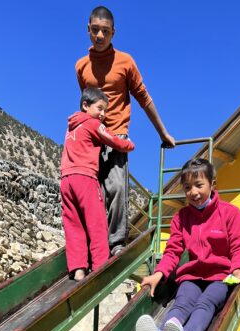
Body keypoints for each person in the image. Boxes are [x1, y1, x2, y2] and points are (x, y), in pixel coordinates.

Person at [75, 5, 175, 255]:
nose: (99, 36)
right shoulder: (81, 66)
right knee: (92, 190)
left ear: (113, 33)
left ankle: (117, 242)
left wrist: (162, 133)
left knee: (117, 187)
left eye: (105, 32)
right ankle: (94, 242)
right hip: (91, 137)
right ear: (88, 29)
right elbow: (84, 104)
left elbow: (143, 98)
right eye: (95, 30)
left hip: (117, 134)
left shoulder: (125, 62)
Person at [135, 158, 240, 331]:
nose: (193, 192)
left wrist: (238, 268)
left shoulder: (230, 213)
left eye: (199, 185)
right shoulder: (181, 217)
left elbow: (239, 246)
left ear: (212, 184)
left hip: (220, 276)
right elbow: (173, 250)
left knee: (206, 303)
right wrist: (159, 274)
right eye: (187, 187)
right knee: (182, 302)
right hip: (193, 274)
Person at [60, 87, 134, 281]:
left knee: (74, 224)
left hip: (66, 179)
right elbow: (112, 140)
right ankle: (100, 266)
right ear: (85, 105)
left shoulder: (71, 127)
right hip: (85, 178)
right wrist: (129, 145)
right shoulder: (93, 124)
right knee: (97, 221)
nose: (102, 114)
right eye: (100, 108)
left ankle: (78, 269)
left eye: (105, 111)